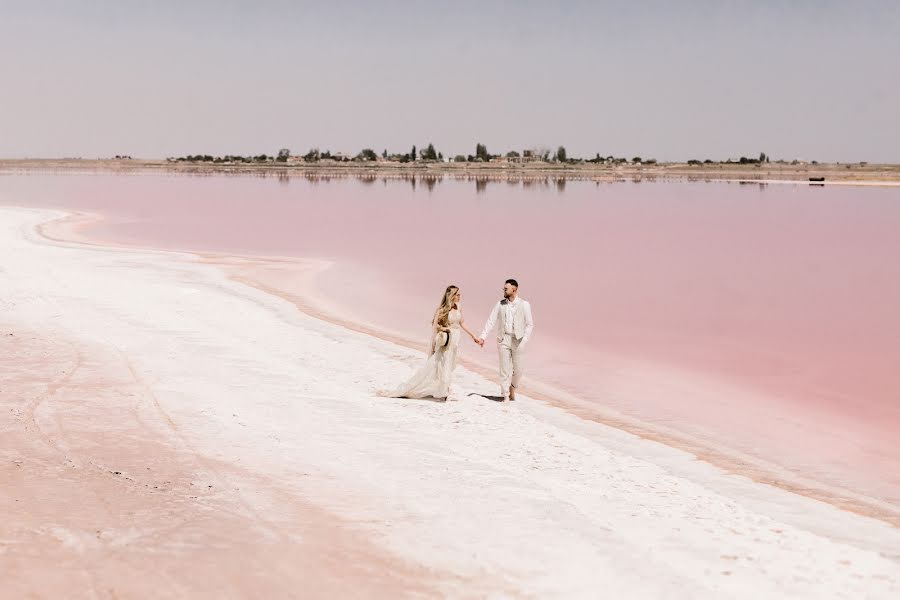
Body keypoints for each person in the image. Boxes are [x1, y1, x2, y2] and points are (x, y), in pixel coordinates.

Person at [379, 285, 480, 401]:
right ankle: (445, 392)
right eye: (457, 294)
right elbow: (435, 325)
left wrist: (473, 336)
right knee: (444, 365)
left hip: (456, 339)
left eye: (459, 294)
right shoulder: (442, 310)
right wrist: (444, 329)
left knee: (450, 365)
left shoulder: (459, 307)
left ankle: (443, 390)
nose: (459, 296)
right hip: (447, 340)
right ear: (451, 296)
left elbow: (462, 323)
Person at [475, 279, 534, 402]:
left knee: (518, 370)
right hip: (503, 339)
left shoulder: (525, 304)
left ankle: (513, 387)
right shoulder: (500, 304)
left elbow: (530, 324)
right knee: (504, 368)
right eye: (504, 288)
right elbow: (491, 321)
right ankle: (505, 395)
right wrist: (483, 337)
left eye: (506, 289)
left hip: (518, 340)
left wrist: (524, 340)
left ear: (514, 289)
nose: (504, 290)